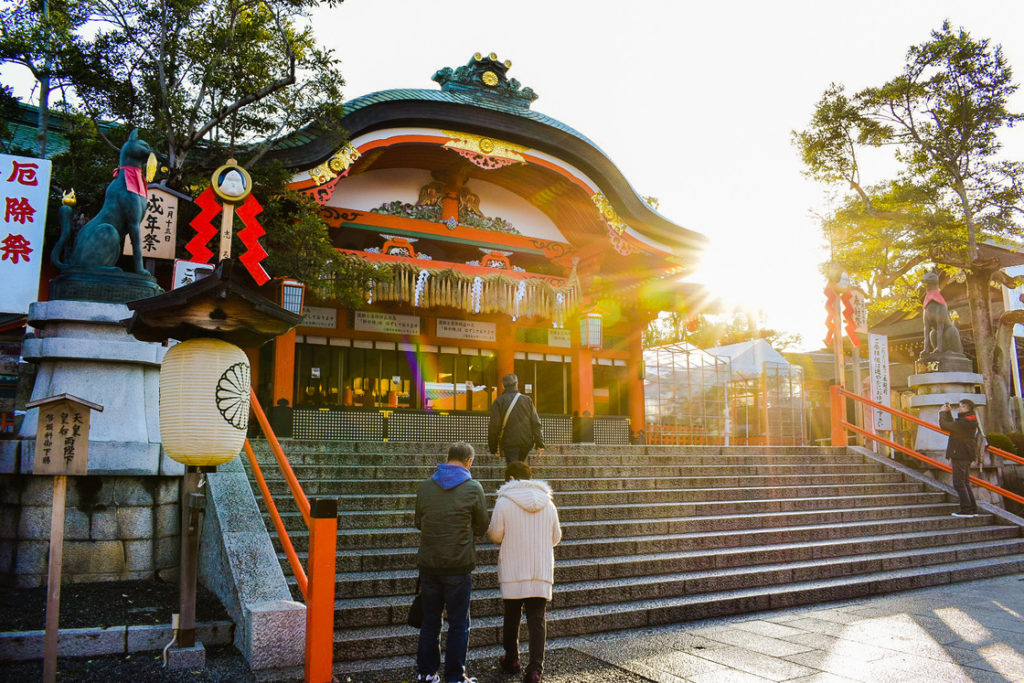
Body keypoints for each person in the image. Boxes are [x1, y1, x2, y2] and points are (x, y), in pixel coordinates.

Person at [414, 442, 489, 683]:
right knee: (458, 623)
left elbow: (418, 522)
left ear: (447, 458)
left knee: (430, 622)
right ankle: (455, 677)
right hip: (458, 564)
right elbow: (481, 526)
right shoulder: (473, 487)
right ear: (469, 462)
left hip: (429, 564)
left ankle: (426, 674)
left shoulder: (426, 487)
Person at [487, 461, 562, 683]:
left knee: (511, 616)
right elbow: (556, 537)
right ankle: (535, 670)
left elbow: (495, 534)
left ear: (511, 478)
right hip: (540, 568)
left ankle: (512, 659)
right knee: (537, 619)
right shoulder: (548, 504)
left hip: (514, 568)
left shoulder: (504, 502)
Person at [489, 373, 545, 464]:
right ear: (516, 384)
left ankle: (514, 477)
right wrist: (540, 444)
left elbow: (494, 426)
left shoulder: (499, 401)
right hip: (526, 442)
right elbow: (536, 423)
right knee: (520, 467)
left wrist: (493, 448)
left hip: (509, 443)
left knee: (513, 469)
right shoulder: (527, 400)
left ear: (503, 386)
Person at [938, 399, 981, 517]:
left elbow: (945, 425)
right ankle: (972, 509)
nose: (959, 408)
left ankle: (966, 509)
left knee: (959, 483)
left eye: (961, 407)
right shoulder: (970, 420)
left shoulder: (965, 422)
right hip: (966, 454)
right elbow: (953, 425)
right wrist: (947, 413)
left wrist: (942, 412)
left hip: (960, 454)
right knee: (965, 482)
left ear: (967, 408)